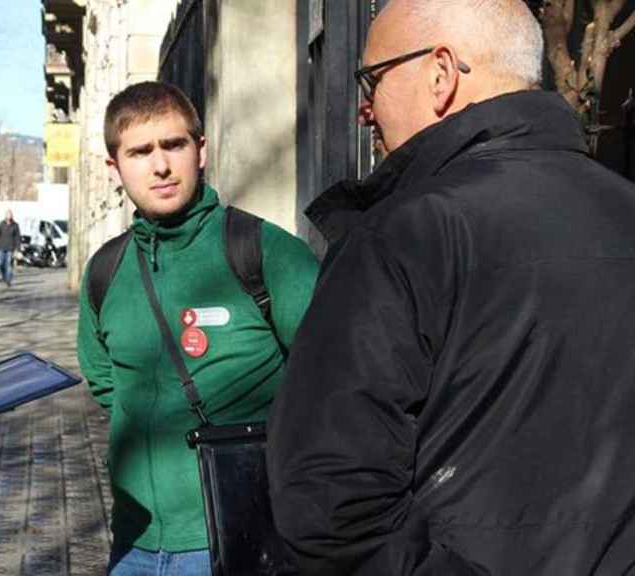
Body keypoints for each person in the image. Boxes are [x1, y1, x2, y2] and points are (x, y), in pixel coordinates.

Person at [266, 1, 635, 574]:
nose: (365, 109)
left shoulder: (404, 233)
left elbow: (330, 502)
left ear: (440, 73)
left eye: (372, 79)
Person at [77, 81, 319, 575]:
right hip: (133, 547)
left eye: (174, 145)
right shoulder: (105, 270)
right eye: (140, 151)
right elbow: (105, 382)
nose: (160, 165)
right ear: (114, 167)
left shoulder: (264, 251)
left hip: (241, 537)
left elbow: (331, 377)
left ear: (200, 150)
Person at [0, 210, 21, 286]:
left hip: (11, 248)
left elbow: (18, 238)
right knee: (1, 264)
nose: (9, 216)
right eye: (8, 215)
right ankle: (4, 277)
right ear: (5, 216)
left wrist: (17, 249)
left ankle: (8, 280)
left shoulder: (15, 225)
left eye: (10, 215)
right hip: (1, 247)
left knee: (9, 264)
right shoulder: (2, 224)